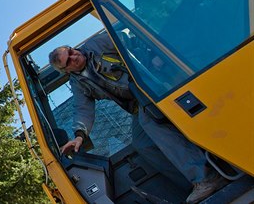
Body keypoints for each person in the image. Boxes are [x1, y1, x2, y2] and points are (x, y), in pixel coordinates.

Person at [49, 33, 227, 204]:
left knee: (149, 122)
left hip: (150, 85)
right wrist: (80, 135)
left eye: (71, 51)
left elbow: (128, 39)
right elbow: (83, 108)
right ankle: (193, 183)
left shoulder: (97, 44)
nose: (74, 56)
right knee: (143, 143)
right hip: (137, 104)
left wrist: (153, 55)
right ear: (66, 71)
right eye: (69, 61)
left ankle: (206, 177)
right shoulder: (78, 83)